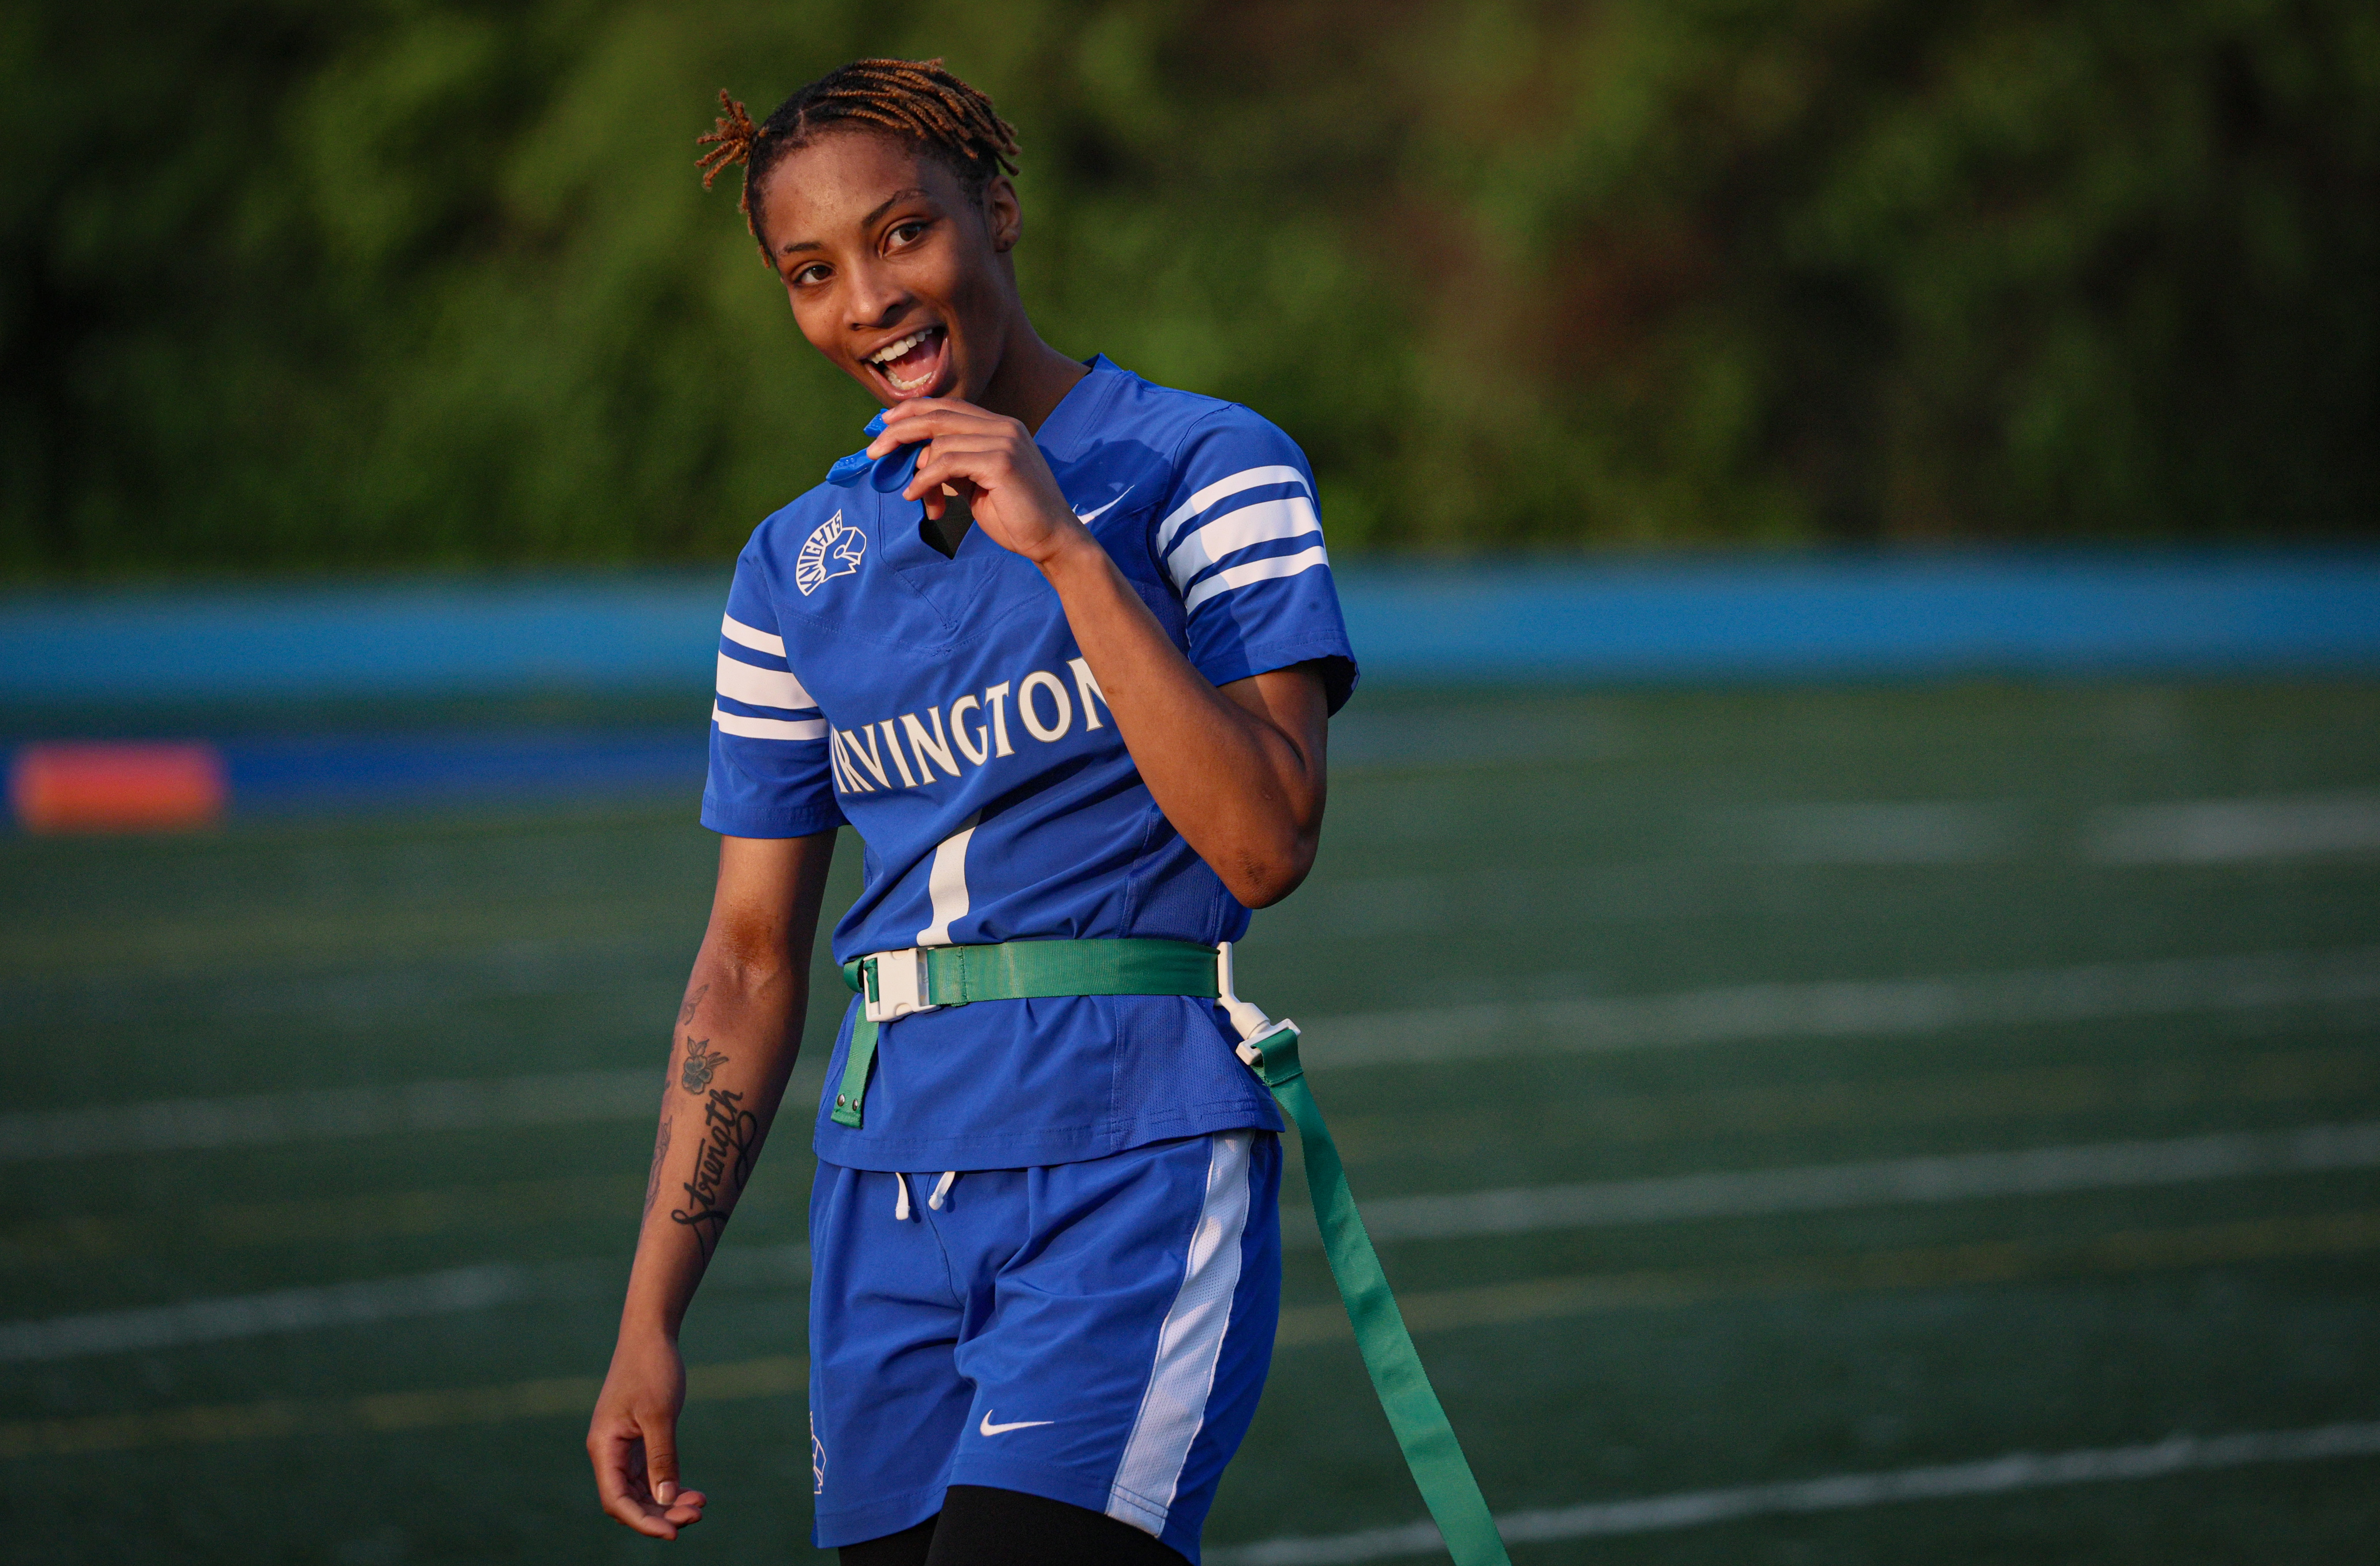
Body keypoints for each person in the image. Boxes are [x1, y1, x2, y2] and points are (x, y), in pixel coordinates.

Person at [585, 57, 1357, 1566]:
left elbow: (1269, 844)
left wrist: (1063, 545)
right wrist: (647, 1319)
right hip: (886, 1191)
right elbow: (747, 961)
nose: (866, 298)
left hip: (1129, 1151)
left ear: (995, 213)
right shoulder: (788, 569)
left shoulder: (1207, 466)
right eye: (813, 273)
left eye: (901, 236)